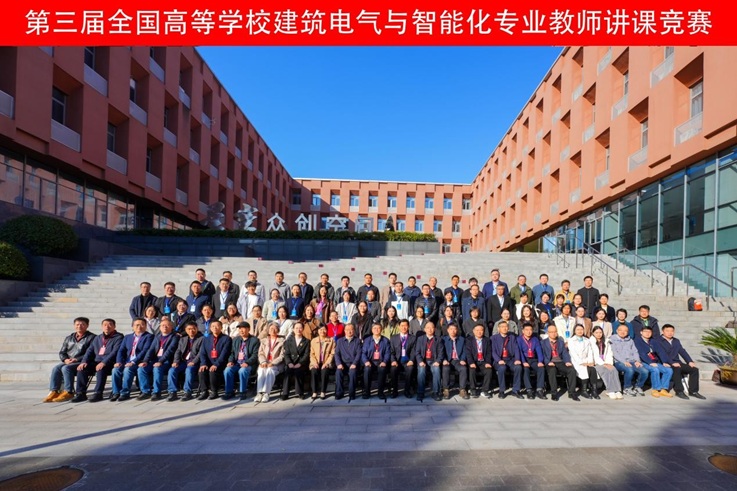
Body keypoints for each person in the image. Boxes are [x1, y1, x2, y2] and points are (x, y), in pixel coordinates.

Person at [44, 317, 96, 403]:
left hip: (83, 362)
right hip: (69, 362)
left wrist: (76, 359)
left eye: (82, 324)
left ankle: (69, 391)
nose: (79, 326)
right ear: (74, 325)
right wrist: (65, 360)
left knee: (66, 368)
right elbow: (62, 352)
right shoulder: (69, 338)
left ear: (87, 325)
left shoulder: (92, 338)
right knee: (56, 368)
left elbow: (91, 353)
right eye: (77, 324)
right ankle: (54, 391)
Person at [110, 318, 154, 401]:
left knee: (128, 369)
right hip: (127, 361)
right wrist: (119, 361)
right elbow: (121, 350)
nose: (139, 327)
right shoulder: (127, 337)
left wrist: (133, 362)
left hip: (140, 361)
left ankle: (125, 393)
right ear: (132, 326)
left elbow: (145, 350)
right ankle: (116, 392)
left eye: (142, 324)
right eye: (137, 325)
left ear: (145, 326)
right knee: (115, 370)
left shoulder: (149, 337)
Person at [658, 324, 705, 400]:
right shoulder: (658, 341)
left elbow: (682, 351)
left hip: (677, 362)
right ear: (663, 331)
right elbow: (662, 354)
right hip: (665, 362)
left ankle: (693, 391)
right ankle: (679, 391)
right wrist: (672, 363)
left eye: (672, 331)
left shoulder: (676, 341)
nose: (670, 333)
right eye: (667, 331)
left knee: (694, 370)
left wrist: (689, 361)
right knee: (677, 369)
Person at [142, 317, 179, 401]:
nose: (165, 327)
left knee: (157, 368)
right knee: (142, 369)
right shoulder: (157, 337)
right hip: (155, 360)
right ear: (159, 327)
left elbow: (170, 351)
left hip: (167, 361)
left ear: (171, 327)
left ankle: (157, 392)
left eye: (167, 325)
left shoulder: (175, 337)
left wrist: (160, 361)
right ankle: (145, 391)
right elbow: (151, 350)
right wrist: (145, 361)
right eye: (162, 325)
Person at [610, 324, 650, 397]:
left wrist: (637, 361)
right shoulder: (612, 340)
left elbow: (635, 351)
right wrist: (624, 362)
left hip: (632, 361)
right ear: (617, 331)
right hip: (619, 361)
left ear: (628, 332)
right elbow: (614, 353)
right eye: (620, 330)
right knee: (629, 370)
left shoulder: (630, 340)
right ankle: (627, 388)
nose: (623, 332)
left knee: (645, 371)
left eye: (625, 331)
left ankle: (638, 386)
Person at [167, 321, 203, 401]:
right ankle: (172, 392)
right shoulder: (183, 339)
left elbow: (201, 353)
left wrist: (194, 361)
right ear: (185, 330)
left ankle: (187, 392)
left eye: (193, 329)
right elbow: (178, 351)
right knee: (172, 370)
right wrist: (176, 361)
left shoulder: (201, 339)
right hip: (184, 361)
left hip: (195, 362)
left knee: (189, 370)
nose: (191, 331)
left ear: (197, 329)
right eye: (189, 329)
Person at [541, 325, 579, 401]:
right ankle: (554, 393)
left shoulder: (560, 342)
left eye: (555, 332)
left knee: (571, 370)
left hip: (560, 361)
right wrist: (548, 362)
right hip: (550, 362)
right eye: (551, 332)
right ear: (548, 333)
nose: (553, 333)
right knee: (552, 370)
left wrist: (567, 361)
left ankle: (572, 392)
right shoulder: (543, 342)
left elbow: (565, 353)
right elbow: (542, 354)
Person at [224, 322, 260, 400]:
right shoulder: (236, 340)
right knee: (227, 370)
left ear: (248, 329)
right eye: (240, 328)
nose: (241, 330)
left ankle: (242, 392)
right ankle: (229, 392)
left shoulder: (255, 340)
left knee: (242, 371)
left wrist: (247, 362)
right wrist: (230, 361)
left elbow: (255, 355)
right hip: (237, 363)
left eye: (243, 328)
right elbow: (232, 353)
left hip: (249, 364)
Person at [634, 325, 673, 398]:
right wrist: (650, 362)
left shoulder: (653, 341)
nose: (647, 333)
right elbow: (641, 353)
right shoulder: (637, 341)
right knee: (655, 370)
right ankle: (655, 389)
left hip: (654, 362)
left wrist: (664, 362)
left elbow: (661, 351)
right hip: (643, 361)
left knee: (669, 370)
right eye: (645, 331)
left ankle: (663, 389)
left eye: (649, 332)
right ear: (641, 332)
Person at [197, 320, 232, 400]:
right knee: (202, 370)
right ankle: (204, 391)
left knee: (213, 371)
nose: (215, 328)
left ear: (221, 327)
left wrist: (216, 364)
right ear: (210, 328)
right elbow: (202, 353)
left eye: (217, 326)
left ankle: (214, 391)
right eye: (213, 326)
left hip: (221, 363)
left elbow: (224, 354)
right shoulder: (206, 339)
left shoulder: (226, 339)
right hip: (209, 362)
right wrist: (203, 363)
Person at [589, 326, 623, 399]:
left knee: (614, 370)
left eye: (600, 332)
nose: (599, 334)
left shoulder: (606, 341)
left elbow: (609, 353)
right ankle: (610, 390)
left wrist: (608, 363)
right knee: (605, 371)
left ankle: (617, 390)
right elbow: (594, 355)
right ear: (593, 333)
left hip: (606, 362)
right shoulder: (591, 341)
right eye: (596, 333)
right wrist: (603, 364)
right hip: (596, 362)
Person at [491, 321, 523, 399]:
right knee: (502, 368)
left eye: (506, 326)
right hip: (499, 360)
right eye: (502, 327)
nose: (504, 328)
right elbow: (493, 351)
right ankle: (502, 390)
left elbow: (516, 349)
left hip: (510, 359)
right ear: (498, 328)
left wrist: (517, 359)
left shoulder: (512, 337)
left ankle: (516, 390)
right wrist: (498, 360)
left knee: (518, 367)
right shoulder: (493, 338)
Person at [255, 323, 286, 402]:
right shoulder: (264, 341)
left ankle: (266, 393)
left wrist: (273, 363)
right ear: (268, 330)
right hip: (265, 363)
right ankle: (259, 393)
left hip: (277, 364)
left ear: (278, 330)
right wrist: (263, 362)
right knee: (261, 371)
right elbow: (260, 353)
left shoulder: (282, 341)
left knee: (270, 371)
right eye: (271, 328)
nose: (273, 330)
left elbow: (282, 356)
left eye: (275, 328)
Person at [415, 322, 445, 401]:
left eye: (431, 327)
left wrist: (438, 361)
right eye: (427, 328)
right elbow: (417, 352)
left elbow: (441, 352)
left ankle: (436, 392)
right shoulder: (420, 339)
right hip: (423, 361)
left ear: (434, 329)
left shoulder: (438, 339)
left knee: (436, 369)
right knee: (421, 370)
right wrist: (420, 361)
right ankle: (420, 392)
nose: (430, 329)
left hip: (434, 361)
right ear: (424, 329)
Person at [568, 324, 598, 399]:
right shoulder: (571, 340)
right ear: (574, 331)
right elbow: (573, 353)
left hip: (586, 360)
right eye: (578, 330)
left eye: (581, 329)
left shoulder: (587, 340)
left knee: (593, 369)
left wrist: (590, 361)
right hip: (576, 361)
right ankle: (583, 391)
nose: (580, 331)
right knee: (584, 369)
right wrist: (581, 362)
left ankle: (594, 390)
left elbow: (590, 352)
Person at [281, 322, 310, 400]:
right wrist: (289, 363)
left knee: (298, 371)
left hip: (301, 363)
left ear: (303, 329)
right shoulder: (288, 341)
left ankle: (300, 392)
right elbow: (286, 354)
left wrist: (300, 363)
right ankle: (285, 393)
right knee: (287, 372)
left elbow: (306, 355)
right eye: (296, 328)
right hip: (291, 362)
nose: (298, 330)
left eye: (300, 328)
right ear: (293, 329)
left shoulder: (306, 341)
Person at [361, 323, 391, 399]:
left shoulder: (385, 340)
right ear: (372, 330)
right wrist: (366, 361)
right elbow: (363, 353)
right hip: (370, 361)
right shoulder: (367, 340)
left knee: (382, 370)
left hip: (381, 362)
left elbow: (388, 353)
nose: (376, 330)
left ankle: (380, 392)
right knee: (367, 370)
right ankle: (367, 392)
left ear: (381, 330)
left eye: (378, 328)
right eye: (374, 328)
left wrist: (384, 361)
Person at [517, 322, 546, 399]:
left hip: (533, 359)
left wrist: (540, 361)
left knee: (541, 368)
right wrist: (524, 362)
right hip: (524, 359)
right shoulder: (519, 339)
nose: (529, 331)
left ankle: (539, 389)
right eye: (526, 330)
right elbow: (519, 352)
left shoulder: (535, 339)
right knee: (526, 369)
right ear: (523, 331)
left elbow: (539, 351)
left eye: (530, 330)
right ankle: (529, 390)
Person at [334, 323, 362, 400]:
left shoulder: (357, 341)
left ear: (354, 331)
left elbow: (359, 353)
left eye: (351, 329)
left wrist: (354, 363)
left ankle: (351, 393)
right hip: (343, 364)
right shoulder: (339, 341)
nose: (349, 331)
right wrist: (339, 364)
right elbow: (337, 354)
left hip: (353, 364)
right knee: (338, 372)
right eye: (347, 330)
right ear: (344, 331)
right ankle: (339, 393)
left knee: (352, 372)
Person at [389, 319, 416, 398]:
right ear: (399, 327)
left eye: (406, 326)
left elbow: (414, 351)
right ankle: (395, 391)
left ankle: (407, 391)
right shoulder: (393, 338)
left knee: (410, 369)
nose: (404, 327)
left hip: (408, 361)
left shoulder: (413, 338)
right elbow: (391, 351)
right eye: (402, 326)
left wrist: (411, 360)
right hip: (397, 361)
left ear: (408, 327)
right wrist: (393, 361)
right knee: (393, 369)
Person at [441, 324, 469, 399]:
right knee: (445, 369)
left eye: (454, 329)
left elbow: (465, 351)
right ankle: (446, 389)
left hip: (458, 360)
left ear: (457, 330)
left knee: (463, 368)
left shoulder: (462, 339)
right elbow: (441, 351)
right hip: (448, 360)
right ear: (448, 330)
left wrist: (463, 359)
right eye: (451, 329)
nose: (453, 331)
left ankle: (462, 389)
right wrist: (444, 359)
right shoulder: (443, 339)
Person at [465, 324, 493, 398]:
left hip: (483, 361)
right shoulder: (469, 340)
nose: (479, 332)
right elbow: (468, 353)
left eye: (481, 330)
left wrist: (488, 362)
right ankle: (473, 389)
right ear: (473, 331)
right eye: (477, 330)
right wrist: (471, 362)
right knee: (472, 370)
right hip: (474, 361)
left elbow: (489, 352)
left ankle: (485, 390)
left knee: (489, 370)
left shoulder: (487, 340)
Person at [309, 325, 335, 399]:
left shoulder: (331, 340)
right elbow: (311, 354)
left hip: (326, 362)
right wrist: (314, 363)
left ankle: (323, 391)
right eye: (320, 329)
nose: (322, 331)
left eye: (324, 329)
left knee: (324, 371)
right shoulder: (313, 341)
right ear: (318, 331)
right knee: (313, 371)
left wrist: (326, 363)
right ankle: (314, 392)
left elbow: (332, 354)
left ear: (327, 330)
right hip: (316, 362)